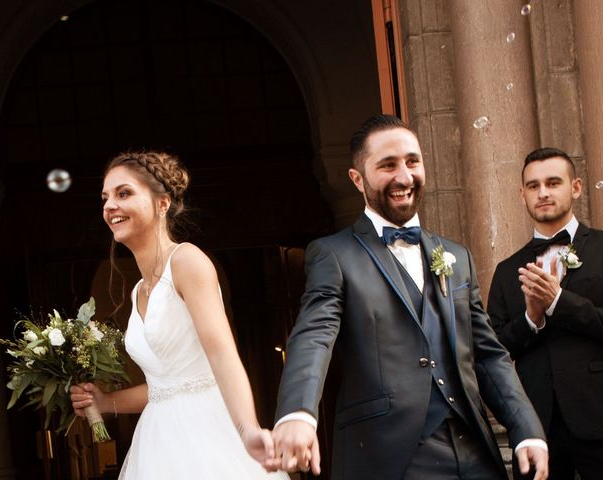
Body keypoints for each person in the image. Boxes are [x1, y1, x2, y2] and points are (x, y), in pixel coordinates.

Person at [270, 115, 549, 480]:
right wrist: (298, 413)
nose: (404, 176)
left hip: (474, 452)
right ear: (358, 179)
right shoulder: (333, 255)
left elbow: (487, 354)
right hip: (388, 456)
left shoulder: (456, 256)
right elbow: (314, 334)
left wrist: (526, 428)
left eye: (412, 161)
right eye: (388, 165)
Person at [70, 151, 287, 479]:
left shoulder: (186, 261)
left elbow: (223, 357)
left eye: (124, 193)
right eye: (105, 197)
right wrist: (104, 401)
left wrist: (247, 430)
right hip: (157, 443)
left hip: (207, 436)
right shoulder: (139, 290)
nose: (109, 205)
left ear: (162, 203)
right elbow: (165, 386)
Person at [488, 147, 603, 480]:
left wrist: (558, 302)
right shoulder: (507, 270)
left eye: (553, 183)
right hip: (537, 427)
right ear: (522, 195)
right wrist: (530, 320)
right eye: (533, 186)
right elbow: (492, 348)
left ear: (576, 187)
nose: (543, 193)